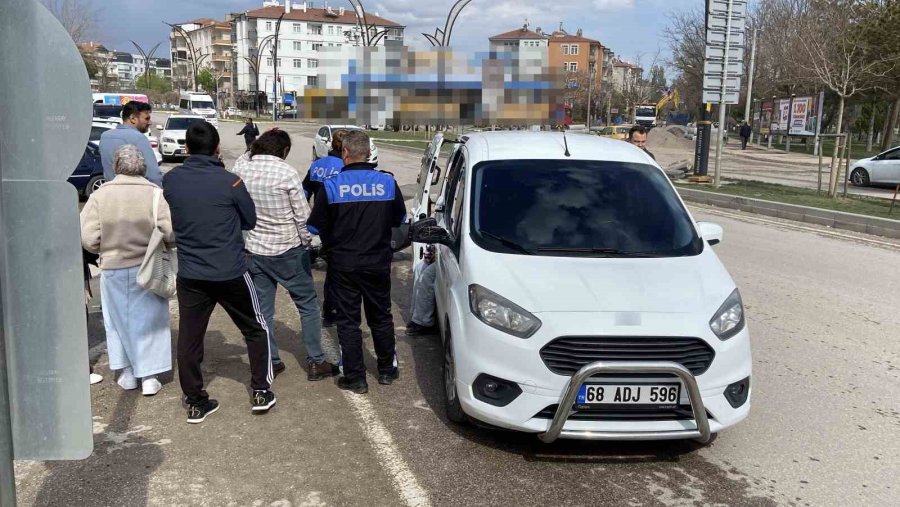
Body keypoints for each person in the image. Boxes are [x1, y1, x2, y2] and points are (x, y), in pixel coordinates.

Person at [163, 121, 276, 424]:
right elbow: (250, 220)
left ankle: (195, 401)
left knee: (189, 338)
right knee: (256, 327)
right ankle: (260, 390)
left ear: (186, 148)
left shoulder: (171, 180)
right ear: (217, 148)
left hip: (191, 273)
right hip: (230, 270)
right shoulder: (231, 182)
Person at [232, 129, 339, 381]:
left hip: (255, 250)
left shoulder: (241, 169)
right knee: (308, 306)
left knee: (263, 311)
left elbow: (243, 157)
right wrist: (308, 244)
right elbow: (302, 216)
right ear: (284, 151)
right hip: (288, 250)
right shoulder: (286, 172)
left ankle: (271, 360)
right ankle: (316, 361)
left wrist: (257, 144)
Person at [307, 130, 406, 394]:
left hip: (343, 264)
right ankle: (386, 370)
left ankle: (355, 378)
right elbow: (399, 220)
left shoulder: (331, 186)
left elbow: (314, 227)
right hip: (377, 262)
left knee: (348, 322)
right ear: (369, 153)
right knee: (381, 316)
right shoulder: (387, 183)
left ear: (345, 153)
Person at [80, 145, 174, 396]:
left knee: (117, 322)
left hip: (113, 266)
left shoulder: (100, 195)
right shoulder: (155, 194)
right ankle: (150, 376)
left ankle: (128, 373)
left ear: (115, 166)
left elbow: (88, 239)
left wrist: (104, 247)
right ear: (142, 166)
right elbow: (170, 232)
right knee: (151, 321)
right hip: (149, 266)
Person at [303, 129, 349, 328]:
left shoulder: (317, 165)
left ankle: (329, 312)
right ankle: (337, 309)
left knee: (333, 266)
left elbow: (304, 191)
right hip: (343, 223)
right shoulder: (346, 167)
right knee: (340, 269)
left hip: (322, 224)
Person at [99, 101, 162, 186]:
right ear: (133, 118)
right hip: (135, 191)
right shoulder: (139, 138)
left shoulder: (105, 136)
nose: (150, 122)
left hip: (110, 189)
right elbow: (153, 175)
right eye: (147, 118)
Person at [406, 245, 439, 336]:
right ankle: (415, 316)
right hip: (436, 255)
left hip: (446, 257)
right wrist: (429, 258)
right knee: (418, 268)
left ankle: (424, 322)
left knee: (427, 276)